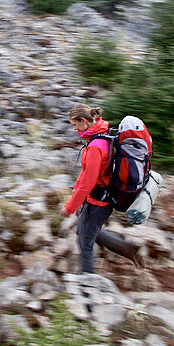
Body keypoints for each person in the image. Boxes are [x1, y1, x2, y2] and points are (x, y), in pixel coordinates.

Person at [61, 104, 144, 274]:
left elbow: (89, 182)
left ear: (84, 121)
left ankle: (86, 282)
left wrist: (69, 207)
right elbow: (90, 173)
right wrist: (76, 187)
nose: (75, 129)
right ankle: (128, 249)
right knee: (87, 231)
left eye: (75, 125)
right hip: (100, 196)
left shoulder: (95, 146)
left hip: (99, 200)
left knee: (85, 241)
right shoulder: (102, 133)